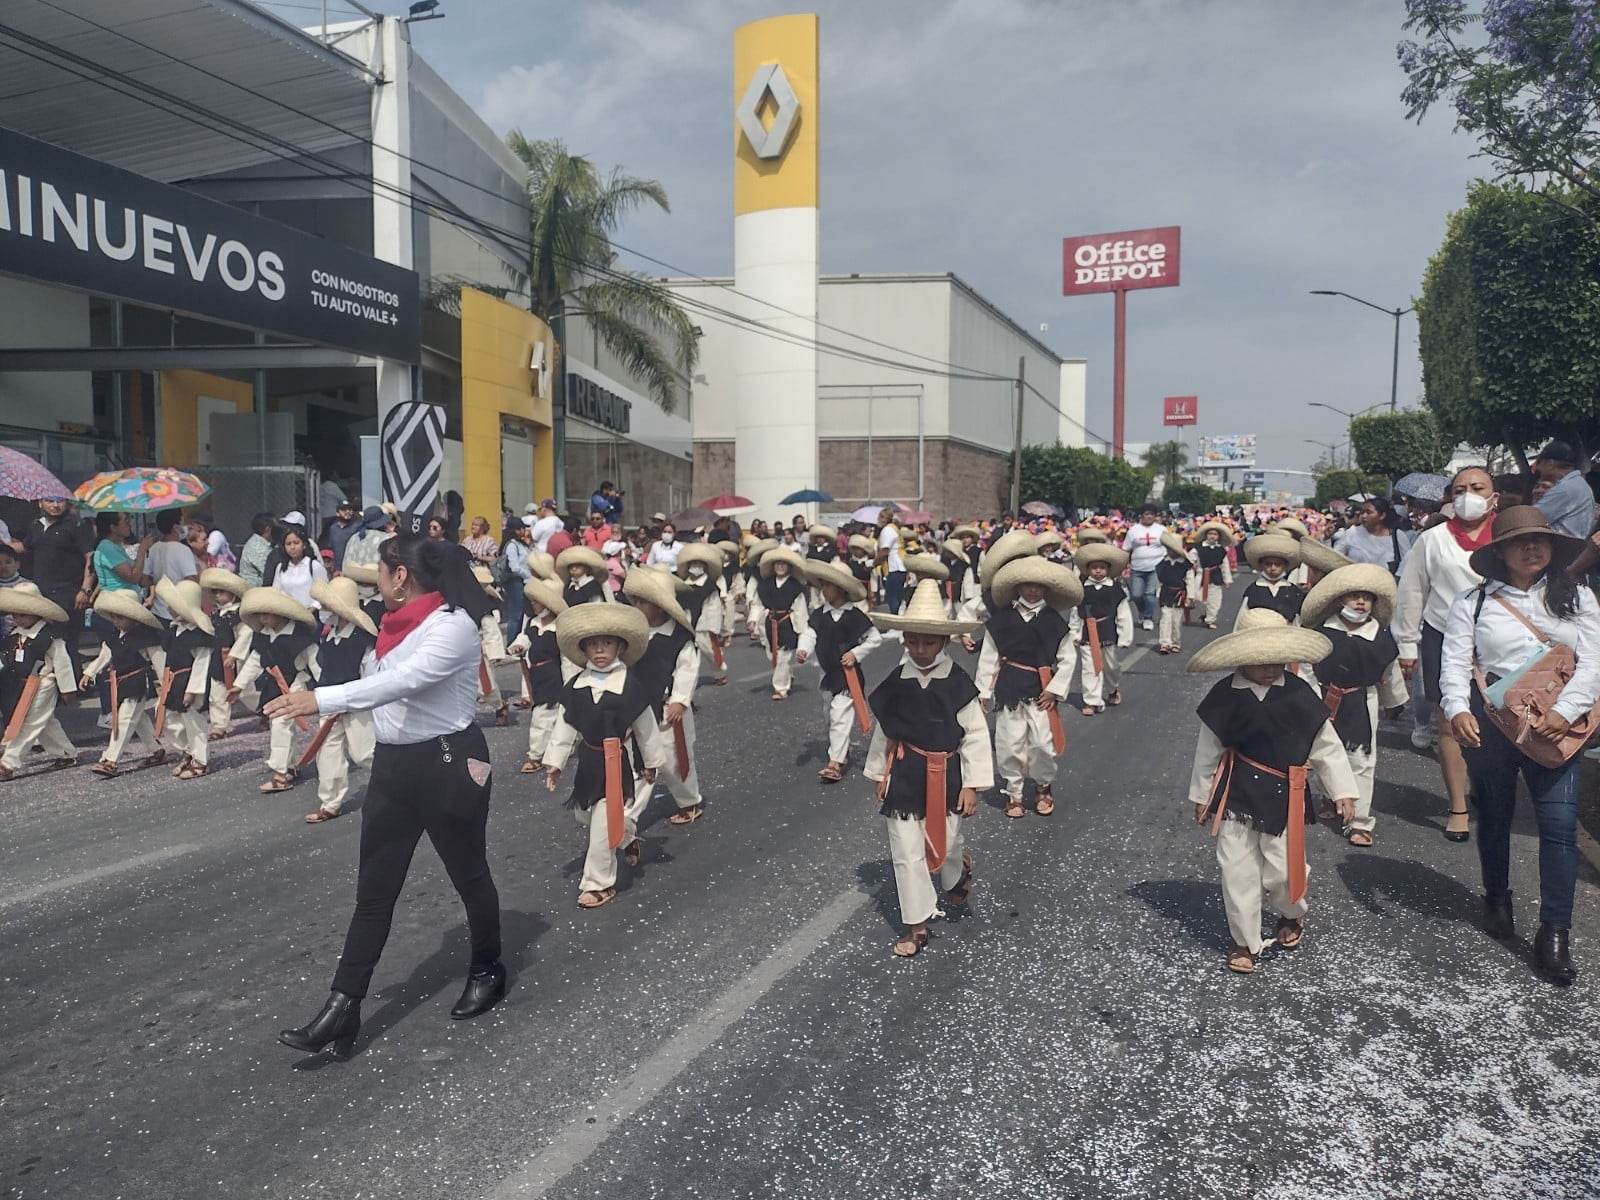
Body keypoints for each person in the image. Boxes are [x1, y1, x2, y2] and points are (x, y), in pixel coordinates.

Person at [273, 535, 507, 1058]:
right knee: (373, 893)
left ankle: (488, 966)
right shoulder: (390, 624)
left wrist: (319, 697)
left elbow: (401, 683)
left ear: (400, 576)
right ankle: (344, 1006)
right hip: (396, 767)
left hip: (448, 763)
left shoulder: (454, 626)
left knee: (469, 875)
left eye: (379, 570)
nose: (374, 580)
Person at [1440, 506, 1600, 985]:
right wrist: (1457, 709)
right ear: (1500, 552)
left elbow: (1593, 661)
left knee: (1558, 826)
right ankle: (1496, 897)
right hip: (1494, 725)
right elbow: (1454, 661)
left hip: (1556, 727)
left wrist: (1564, 712)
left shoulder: (1578, 597)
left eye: (1541, 541)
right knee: (1494, 814)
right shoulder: (1472, 601)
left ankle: (1555, 931)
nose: (1533, 549)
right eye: (1519, 542)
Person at [1186, 609, 1359, 974]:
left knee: (1283, 871)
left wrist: (1342, 789)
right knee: (1237, 870)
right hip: (1236, 793)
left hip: (1285, 794)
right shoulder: (1225, 695)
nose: (1269, 667)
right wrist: (1202, 796)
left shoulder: (1299, 693)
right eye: (1260, 660)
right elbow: (1208, 750)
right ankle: (1243, 941)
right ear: (1242, 658)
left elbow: (1325, 746)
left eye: (1276, 659)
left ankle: (1292, 913)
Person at [862, 579, 991, 958]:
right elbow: (886, 732)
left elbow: (976, 736)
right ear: (905, 641)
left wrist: (973, 785)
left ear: (944, 642)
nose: (920, 649)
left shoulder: (957, 683)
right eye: (913, 641)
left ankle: (957, 866)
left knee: (944, 841)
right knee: (906, 850)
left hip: (946, 774)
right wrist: (879, 776)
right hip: (904, 772)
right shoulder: (896, 683)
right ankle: (916, 924)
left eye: (929, 642)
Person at [1394, 465, 1496, 843]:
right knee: (1450, 720)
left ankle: (1488, 789)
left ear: (1494, 496)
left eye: (1478, 487)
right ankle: (1458, 807)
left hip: (1498, 641)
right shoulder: (1433, 539)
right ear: (1450, 498)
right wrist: (1407, 645)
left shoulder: (1508, 536)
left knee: (1497, 721)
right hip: (1442, 635)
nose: (1469, 494)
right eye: (1460, 489)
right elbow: (1412, 592)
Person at [542, 602, 665, 909]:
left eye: (606, 644)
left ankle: (599, 884)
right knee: (585, 813)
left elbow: (645, 726)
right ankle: (628, 835)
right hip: (589, 761)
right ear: (584, 649)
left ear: (620, 647)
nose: (599, 650)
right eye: (593, 645)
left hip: (615, 761)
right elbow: (565, 726)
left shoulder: (629, 686)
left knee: (602, 824)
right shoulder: (576, 686)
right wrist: (554, 764)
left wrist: (650, 762)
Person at [1300, 564, 1407, 847]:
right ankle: (1332, 796)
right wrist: (1307, 701)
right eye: (1354, 596)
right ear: (1339, 600)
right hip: (1322, 696)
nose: (1361, 602)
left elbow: (1389, 671)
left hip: (1361, 699)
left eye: (1367, 597)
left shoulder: (1380, 637)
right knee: (1325, 750)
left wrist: (1394, 702)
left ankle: (1359, 821)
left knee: (1360, 759)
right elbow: (1308, 668)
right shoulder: (1323, 632)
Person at [977, 557, 1080, 818]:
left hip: (1040, 688)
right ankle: (1014, 791)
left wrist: (1054, 690)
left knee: (1042, 742)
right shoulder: (1002, 620)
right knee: (1010, 742)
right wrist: (983, 692)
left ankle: (1043, 786)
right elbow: (988, 656)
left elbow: (1067, 658)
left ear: (1047, 589)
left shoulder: (1054, 621)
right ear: (1017, 587)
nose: (1033, 591)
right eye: (1027, 585)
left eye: (1038, 586)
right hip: (1009, 686)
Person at [623, 567, 705, 826]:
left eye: (643, 602)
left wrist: (680, 699)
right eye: (635, 601)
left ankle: (689, 801)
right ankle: (628, 816)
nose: (637, 607)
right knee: (642, 756)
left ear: (659, 606)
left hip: (669, 707)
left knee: (674, 758)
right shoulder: (635, 635)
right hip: (640, 706)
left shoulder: (679, 639)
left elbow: (687, 668)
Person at [795, 558, 881, 783]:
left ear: (841, 589)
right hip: (827, 673)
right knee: (829, 715)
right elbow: (809, 633)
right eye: (822, 585)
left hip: (848, 675)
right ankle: (841, 748)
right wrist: (803, 650)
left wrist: (856, 654)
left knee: (839, 713)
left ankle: (835, 763)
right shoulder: (818, 614)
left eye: (828, 585)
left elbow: (874, 638)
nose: (823, 590)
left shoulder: (854, 615)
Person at [302, 577, 379, 824]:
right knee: (328, 750)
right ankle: (330, 801)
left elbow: (369, 670)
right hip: (329, 697)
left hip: (355, 699)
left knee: (363, 752)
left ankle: (399, 782)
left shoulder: (361, 637)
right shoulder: (328, 632)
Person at [238, 587, 319, 794]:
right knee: (279, 723)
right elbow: (255, 660)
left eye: (266, 613)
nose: (263, 619)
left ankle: (281, 773)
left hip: (296, 683)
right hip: (275, 683)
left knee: (282, 722)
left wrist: (325, 686)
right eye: (260, 615)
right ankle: (289, 766)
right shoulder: (263, 636)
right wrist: (239, 684)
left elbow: (315, 660)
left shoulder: (299, 635)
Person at [80, 590, 167, 778]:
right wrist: (90, 672)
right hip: (119, 682)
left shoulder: (146, 635)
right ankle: (156, 749)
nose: (116, 621)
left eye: (120, 617)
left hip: (137, 682)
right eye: (113, 617)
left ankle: (110, 760)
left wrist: (164, 687)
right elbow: (105, 655)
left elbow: (159, 660)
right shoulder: (113, 635)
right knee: (138, 719)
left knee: (125, 720)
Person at [0, 584, 79, 781]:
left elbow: (63, 664)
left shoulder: (50, 637)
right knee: (44, 722)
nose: (18, 619)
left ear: (37, 613)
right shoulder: (14, 635)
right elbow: (6, 659)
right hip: (21, 684)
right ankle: (66, 753)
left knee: (29, 722)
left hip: (44, 683)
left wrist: (68, 688)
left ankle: (9, 762)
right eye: (15, 614)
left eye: (23, 615)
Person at [23, 496, 96, 675]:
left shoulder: (76, 525)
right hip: (41, 594)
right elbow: (24, 548)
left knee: (67, 640)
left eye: (59, 501)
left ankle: (74, 687)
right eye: (50, 501)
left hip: (69, 593)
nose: (55, 505)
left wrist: (85, 589)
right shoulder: (35, 526)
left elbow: (90, 557)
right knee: (46, 641)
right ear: (40, 503)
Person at [507, 577, 572, 774]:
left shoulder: (559, 627)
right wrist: (517, 646)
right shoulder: (534, 623)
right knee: (548, 714)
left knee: (542, 716)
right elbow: (524, 638)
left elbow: (567, 660)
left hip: (553, 676)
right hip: (537, 674)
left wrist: (570, 685)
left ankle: (535, 755)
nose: (533, 604)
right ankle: (556, 749)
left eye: (536, 601)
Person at [1070, 544, 1134, 715]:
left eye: (1102, 568)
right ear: (1088, 570)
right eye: (1094, 568)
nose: (1098, 571)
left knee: (1110, 666)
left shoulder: (1115, 590)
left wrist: (1124, 637)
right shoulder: (1082, 589)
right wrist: (1075, 633)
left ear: (1108, 570)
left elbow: (1123, 614)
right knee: (1089, 667)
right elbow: (1076, 613)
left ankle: (1113, 688)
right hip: (1088, 631)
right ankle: (1092, 701)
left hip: (1107, 631)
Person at [749, 545, 809, 700]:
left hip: (786, 623)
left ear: (789, 566)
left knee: (783, 655)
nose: (780, 567)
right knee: (772, 655)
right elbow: (758, 604)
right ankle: (786, 674)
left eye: (784, 564)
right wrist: (753, 620)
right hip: (769, 622)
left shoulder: (795, 587)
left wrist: (802, 630)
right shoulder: (765, 584)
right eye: (777, 564)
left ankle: (781, 688)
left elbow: (800, 608)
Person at [201, 567, 253, 741]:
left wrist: (235, 654)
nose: (217, 596)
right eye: (215, 592)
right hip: (217, 655)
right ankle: (219, 725)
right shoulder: (216, 614)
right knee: (217, 691)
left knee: (247, 691)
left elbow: (245, 634)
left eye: (221, 592)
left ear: (233, 593)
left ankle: (264, 709)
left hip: (234, 656)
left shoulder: (238, 614)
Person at [677, 543, 734, 686]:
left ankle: (720, 672)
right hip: (688, 622)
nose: (696, 567)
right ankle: (687, 680)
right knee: (687, 654)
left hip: (704, 623)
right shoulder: (684, 585)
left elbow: (714, 607)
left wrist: (713, 627)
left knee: (709, 650)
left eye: (699, 564)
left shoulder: (710, 585)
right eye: (693, 564)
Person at [1235, 533, 1305, 627]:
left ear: (1285, 566)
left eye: (1278, 564)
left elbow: (1297, 620)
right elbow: (1242, 616)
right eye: (1268, 564)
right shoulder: (1254, 589)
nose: (1272, 568)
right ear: (1261, 565)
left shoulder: (1292, 591)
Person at [1531, 440, 1595, 540]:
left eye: (1539, 462)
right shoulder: (1577, 484)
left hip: (1565, 551)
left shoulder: (1566, 489)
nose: (1538, 467)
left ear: (1550, 464)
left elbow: (1530, 519)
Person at [1120, 505, 1167, 631]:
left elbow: (1169, 546)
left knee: (1149, 594)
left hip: (1155, 567)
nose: (1149, 516)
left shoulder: (1161, 529)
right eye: (1146, 514)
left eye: (1152, 514)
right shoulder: (1133, 531)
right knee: (1136, 594)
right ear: (1141, 516)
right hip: (1137, 568)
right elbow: (1126, 549)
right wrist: (1121, 566)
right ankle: (1142, 611)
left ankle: (1148, 617)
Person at [1338, 497, 1413, 574]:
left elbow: (1407, 564)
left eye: (1368, 512)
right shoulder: (1352, 533)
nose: (1363, 516)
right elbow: (1336, 557)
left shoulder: (1397, 536)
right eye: (1362, 512)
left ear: (1382, 515)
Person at [269, 527, 328, 613]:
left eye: (296, 543)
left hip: (311, 616)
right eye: (288, 544)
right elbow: (276, 592)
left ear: (304, 545)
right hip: (288, 615)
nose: (292, 547)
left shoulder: (314, 565)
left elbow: (324, 592)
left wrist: (312, 609)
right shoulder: (281, 567)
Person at [1154, 532, 1192, 655]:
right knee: (1165, 618)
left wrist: (1190, 596)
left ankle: (1176, 642)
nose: (1171, 552)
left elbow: (1190, 580)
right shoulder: (1162, 564)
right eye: (1169, 549)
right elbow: (1158, 580)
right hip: (1166, 592)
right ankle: (1165, 642)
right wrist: (1157, 593)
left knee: (1176, 620)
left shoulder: (1185, 565)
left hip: (1179, 594)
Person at [1192, 522, 1234, 628]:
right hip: (1201, 575)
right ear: (1206, 535)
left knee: (1215, 600)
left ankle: (1210, 619)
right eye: (1210, 533)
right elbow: (1190, 561)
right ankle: (1205, 614)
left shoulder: (1221, 550)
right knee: (1198, 598)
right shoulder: (1198, 548)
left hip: (1215, 575)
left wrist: (1227, 579)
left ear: (1218, 537)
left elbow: (1225, 565)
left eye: (1215, 534)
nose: (1212, 536)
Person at [876, 510, 907, 613]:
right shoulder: (894, 528)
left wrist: (873, 564)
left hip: (894, 567)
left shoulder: (887, 530)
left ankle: (895, 622)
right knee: (897, 596)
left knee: (892, 597)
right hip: (900, 565)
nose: (878, 520)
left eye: (880, 517)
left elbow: (884, 551)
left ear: (885, 518)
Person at [238, 512, 277, 588]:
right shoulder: (257, 547)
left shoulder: (260, 542)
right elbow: (270, 572)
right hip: (254, 590)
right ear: (268, 529)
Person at [326, 499, 364, 569]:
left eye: (349, 509)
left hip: (353, 567)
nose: (348, 512)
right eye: (344, 510)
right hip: (338, 568)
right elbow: (331, 548)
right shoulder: (333, 528)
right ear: (337, 513)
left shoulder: (358, 526)